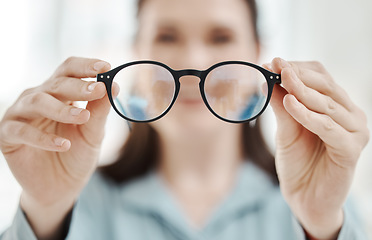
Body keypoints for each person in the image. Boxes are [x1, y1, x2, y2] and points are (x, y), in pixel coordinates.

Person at [0, 0, 369, 239]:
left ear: (259, 55)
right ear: (137, 53)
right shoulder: (79, 201)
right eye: (167, 35)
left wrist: (321, 228)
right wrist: (43, 210)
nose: (193, 61)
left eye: (220, 37)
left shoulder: (325, 206)